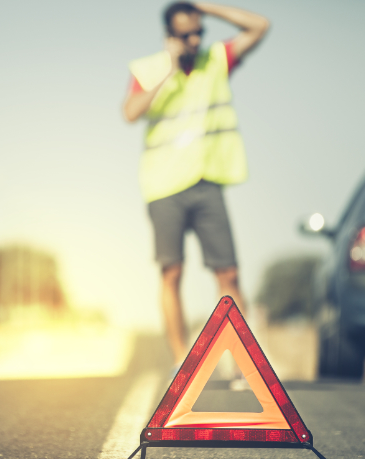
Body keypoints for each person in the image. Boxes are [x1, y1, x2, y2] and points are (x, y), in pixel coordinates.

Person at [123, 2, 269, 371]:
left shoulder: (216, 60)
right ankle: (180, 361)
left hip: (207, 180)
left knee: (229, 273)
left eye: (198, 32)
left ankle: (242, 363)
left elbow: (259, 26)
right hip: (164, 185)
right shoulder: (149, 69)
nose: (194, 40)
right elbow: (130, 112)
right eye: (185, 34)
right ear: (169, 37)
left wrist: (206, 7)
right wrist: (168, 72)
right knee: (171, 271)